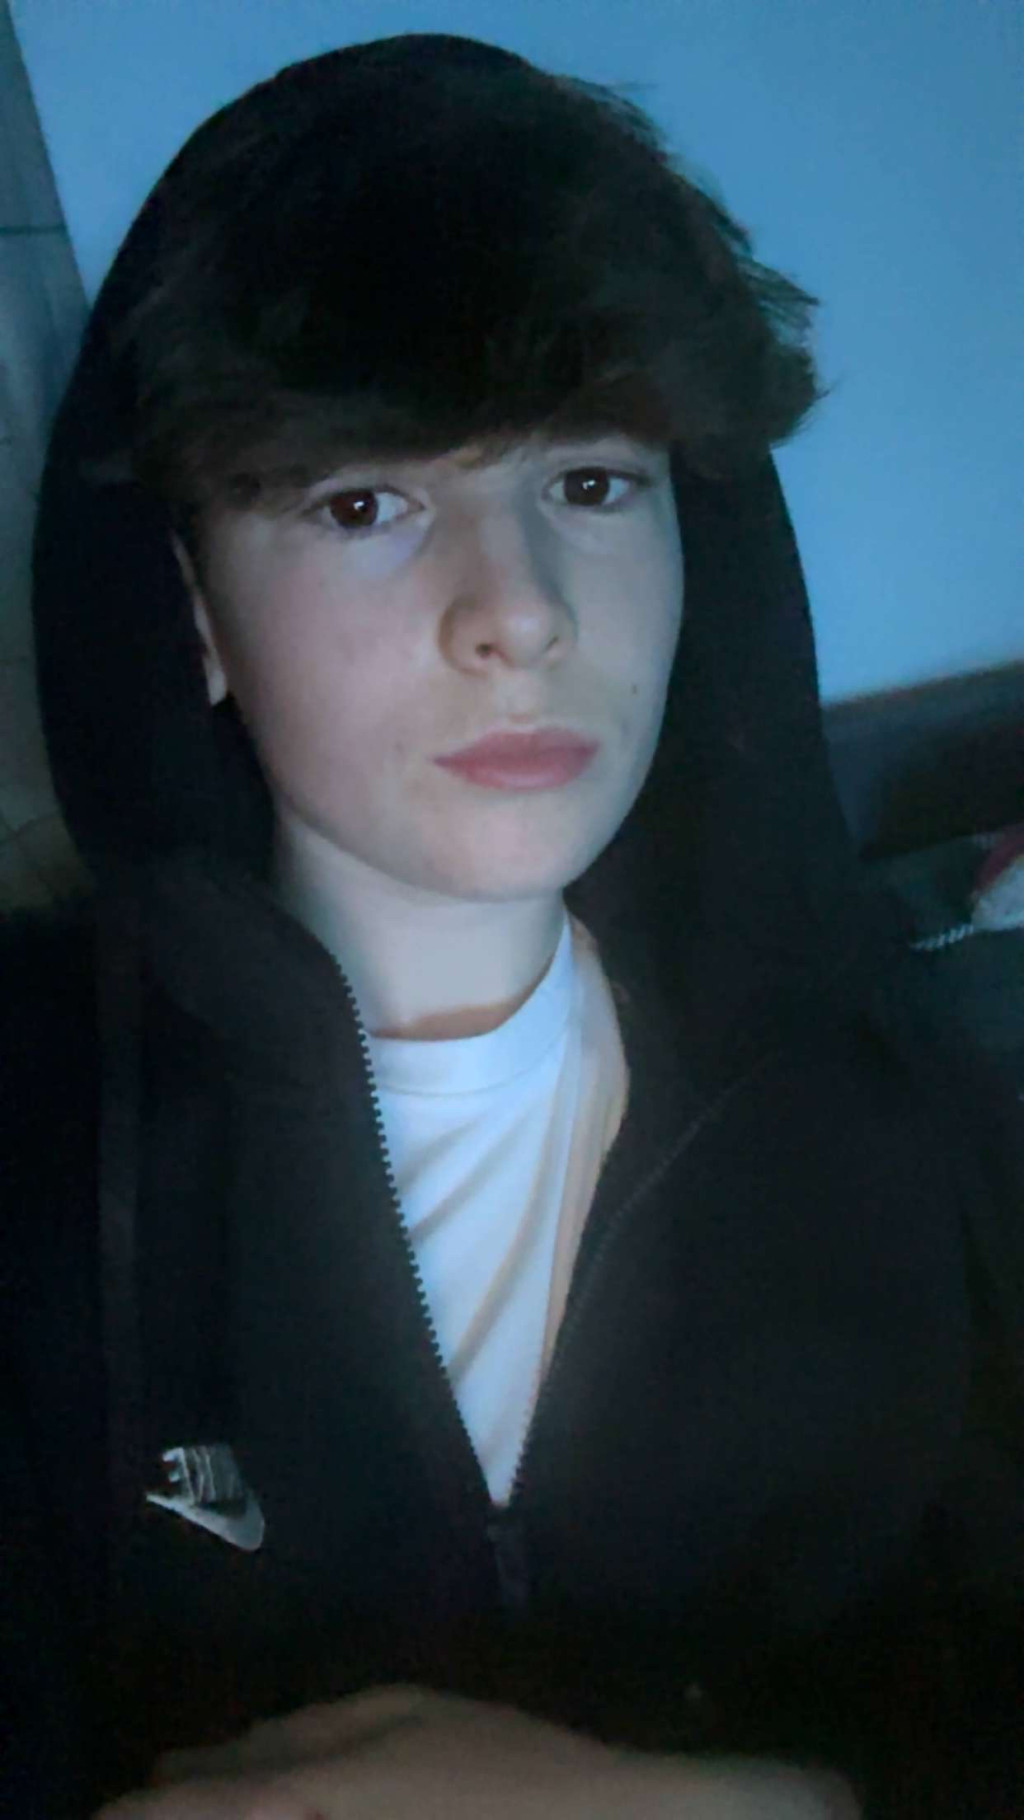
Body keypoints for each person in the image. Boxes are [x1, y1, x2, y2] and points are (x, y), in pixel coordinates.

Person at [2, 30, 1020, 1820]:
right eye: (368, 502)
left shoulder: (928, 1116)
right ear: (195, 609)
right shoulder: (27, 1150)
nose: (522, 611)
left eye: (592, 482)